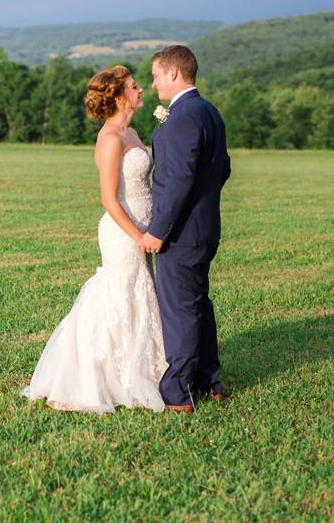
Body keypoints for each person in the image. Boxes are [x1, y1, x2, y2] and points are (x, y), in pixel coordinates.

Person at [21, 66, 167, 413]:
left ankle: (143, 367)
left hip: (143, 226)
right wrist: (139, 235)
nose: (141, 89)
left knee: (139, 293)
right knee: (122, 293)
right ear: (119, 97)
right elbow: (108, 198)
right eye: (134, 86)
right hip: (122, 232)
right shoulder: (110, 139)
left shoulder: (131, 131)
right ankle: (106, 374)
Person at [139, 45, 231, 413]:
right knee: (198, 304)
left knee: (181, 309)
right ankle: (212, 381)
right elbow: (222, 168)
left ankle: (178, 392)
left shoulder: (180, 117)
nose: (153, 82)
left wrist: (159, 229)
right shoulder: (208, 111)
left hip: (182, 233)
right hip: (206, 227)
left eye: (157, 75)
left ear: (175, 74)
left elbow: (177, 180)